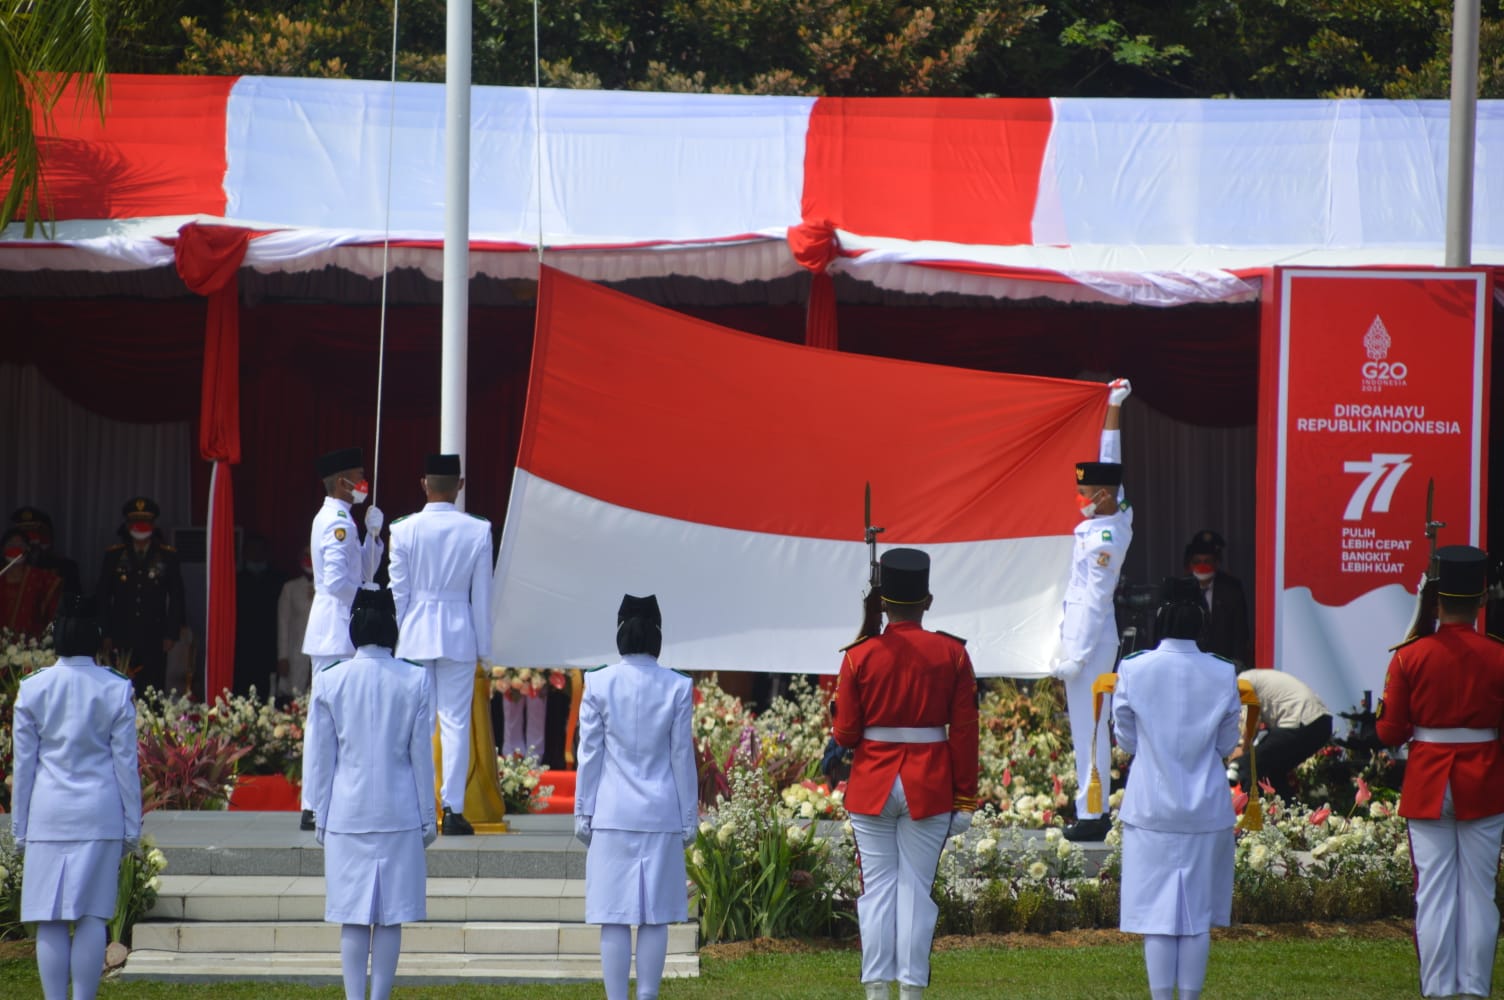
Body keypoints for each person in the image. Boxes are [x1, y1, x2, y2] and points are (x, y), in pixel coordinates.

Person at [831, 548, 979, 1000]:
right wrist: (965, 798)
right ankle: (911, 991)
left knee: (876, 892)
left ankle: (877, 991)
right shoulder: (952, 654)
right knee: (916, 891)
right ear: (928, 601)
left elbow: (847, 733)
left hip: (873, 782)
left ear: (883, 602)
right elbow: (965, 734)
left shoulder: (860, 655)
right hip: (929, 784)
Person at [1376, 545, 1504, 999]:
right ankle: (1473, 991)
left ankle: (1439, 990)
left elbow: (1390, 731)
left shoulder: (1410, 655)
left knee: (1433, 893)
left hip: (1430, 781)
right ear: (1483, 599)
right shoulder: (1498, 655)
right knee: (1478, 894)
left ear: (1435, 599)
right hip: (1485, 781)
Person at [10, 595, 143, 1000]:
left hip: (48, 815)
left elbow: (24, 767)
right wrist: (131, 827)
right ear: (97, 639)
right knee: (91, 916)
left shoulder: (33, 689)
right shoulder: (116, 689)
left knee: (47, 918)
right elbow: (126, 767)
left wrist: (19, 828)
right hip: (98, 814)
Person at [308, 586, 435, 1000]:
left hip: (348, 811)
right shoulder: (414, 678)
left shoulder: (331, 680)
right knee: (390, 916)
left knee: (353, 917)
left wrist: (319, 813)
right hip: (398, 811)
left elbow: (322, 759)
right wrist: (426, 816)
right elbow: (421, 757)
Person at [1113, 593, 1242, 1000]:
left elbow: (1126, 738)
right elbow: (1225, 744)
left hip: (1151, 804)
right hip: (1205, 804)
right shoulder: (1223, 672)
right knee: (1197, 918)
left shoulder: (1134, 668)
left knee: (1156, 915)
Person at [574, 594, 697, 1000]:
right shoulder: (678, 685)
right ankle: (646, 995)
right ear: (658, 634)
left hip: (611, 812)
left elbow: (589, 755)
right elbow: (682, 758)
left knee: (613, 916)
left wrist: (582, 811)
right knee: (654, 917)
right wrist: (688, 817)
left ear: (620, 630)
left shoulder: (598, 681)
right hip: (660, 812)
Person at [388, 453, 493, 836]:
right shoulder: (477, 530)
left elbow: (397, 594)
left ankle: (416, 807)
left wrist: (390, 641)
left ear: (423, 484)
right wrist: (485, 650)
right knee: (455, 724)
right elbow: (482, 596)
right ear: (459, 486)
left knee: (416, 723)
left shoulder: (403, 529)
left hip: (414, 634)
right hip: (459, 634)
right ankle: (453, 810)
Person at [1051, 377, 1133, 842]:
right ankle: (1092, 809)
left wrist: (1077, 655)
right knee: (1089, 729)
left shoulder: (1106, 534)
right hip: (1086, 635)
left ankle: (1094, 814)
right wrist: (1113, 407)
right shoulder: (1109, 511)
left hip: (1092, 638)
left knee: (1090, 730)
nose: (1081, 497)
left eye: (1087, 492)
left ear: (1103, 496)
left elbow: (1096, 599)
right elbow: (1110, 462)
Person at [300, 447, 385, 831]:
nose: (363, 484)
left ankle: (317, 802)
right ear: (341, 482)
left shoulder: (342, 520)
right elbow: (337, 582)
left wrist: (373, 538)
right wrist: (367, 596)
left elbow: (360, 568)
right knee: (326, 722)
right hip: (337, 631)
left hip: (335, 630)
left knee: (328, 721)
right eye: (359, 477)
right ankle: (315, 803)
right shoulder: (338, 521)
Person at [95, 496, 186, 696]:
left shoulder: (167, 555)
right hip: (121, 633)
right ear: (127, 525)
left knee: (153, 686)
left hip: (154, 634)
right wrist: (105, 633)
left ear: (153, 526)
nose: (140, 527)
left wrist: (171, 634)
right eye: (136, 522)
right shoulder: (115, 556)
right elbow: (102, 597)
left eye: (145, 522)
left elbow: (177, 596)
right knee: (120, 685)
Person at [1228, 665, 1332, 802]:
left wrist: (1242, 748)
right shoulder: (1256, 677)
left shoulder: (1242, 680)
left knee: (1248, 765)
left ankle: (1251, 818)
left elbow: (1252, 720)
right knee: (1273, 772)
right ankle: (1289, 815)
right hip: (1319, 723)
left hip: (1304, 721)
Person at [1160, 529, 1250, 665]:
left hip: (1223, 662)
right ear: (1189, 564)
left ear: (1216, 562)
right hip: (1189, 662)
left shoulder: (1231, 589)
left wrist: (1238, 663)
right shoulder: (1179, 588)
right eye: (1197, 561)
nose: (1202, 566)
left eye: (1207, 561)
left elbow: (1241, 632)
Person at [234, 534, 286, 698]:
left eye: (259, 550)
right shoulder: (237, 581)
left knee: (267, 693)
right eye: (251, 550)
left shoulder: (279, 580)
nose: (255, 554)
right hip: (244, 647)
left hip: (269, 645)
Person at [1, 526, 63, 638]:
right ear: (3, 549)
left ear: (27, 550)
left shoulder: (40, 578)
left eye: (20, 545)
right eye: (11, 545)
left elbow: (54, 613)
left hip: (31, 647)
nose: (16, 548)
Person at [10, 506, 82, 597]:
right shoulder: (8, 568)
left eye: (36, 533)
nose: (31, 540)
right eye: (25, 534)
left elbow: (73, 604)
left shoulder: (66, 567)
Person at [277, 547, 316, 699]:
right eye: (307, 556)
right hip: (296, 650)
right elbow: (283, 623)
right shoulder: (290, 588)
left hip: (320, 652)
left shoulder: (327, 588)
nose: (310, 560)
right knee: (294, 695)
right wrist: (283, 656)